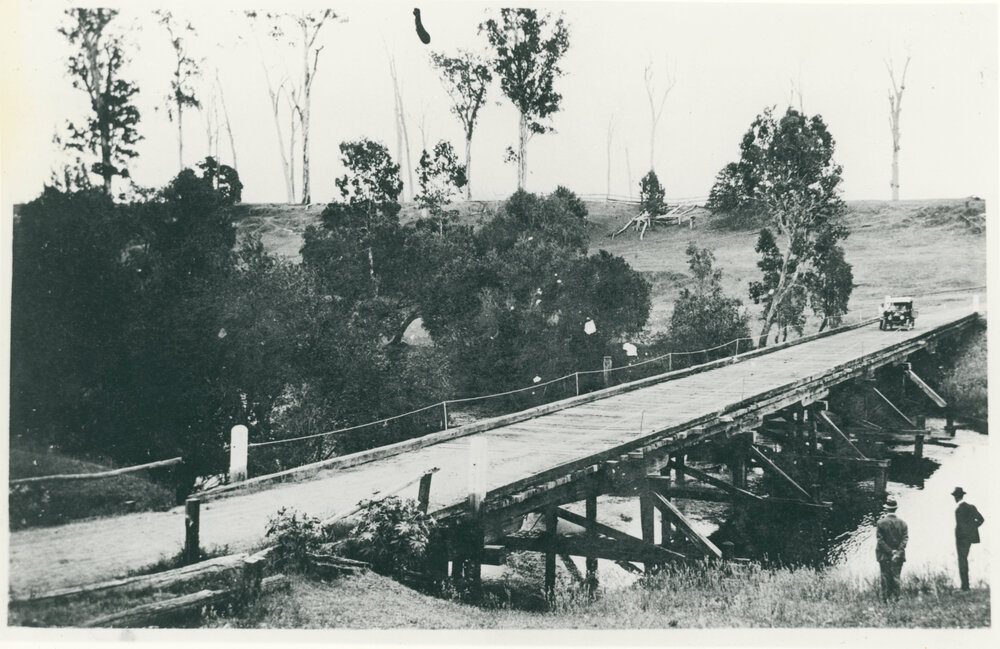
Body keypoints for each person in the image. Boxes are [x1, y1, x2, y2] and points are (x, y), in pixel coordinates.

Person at [952, 487, 985, 591]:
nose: (954, 499)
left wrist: (962, 535)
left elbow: (961, 525)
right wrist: (973, 528)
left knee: (962, 560)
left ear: (956, 497)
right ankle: (965, 586)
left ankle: (965, 587)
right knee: (964, 560)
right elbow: (981, 519)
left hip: (962, 540)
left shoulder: (958, 510)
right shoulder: (971, 507)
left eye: (954, 497)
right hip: (970, 539)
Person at [876, 498, 908, 601]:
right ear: (895, 509)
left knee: (885, 578)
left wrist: (890, 551)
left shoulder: (881, 523)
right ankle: (896, 599)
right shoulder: (903, 523)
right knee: (896, 577)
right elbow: (905, 540)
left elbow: (880, 541)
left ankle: (886, 601)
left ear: (886, 509)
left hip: (884, 556)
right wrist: (897, 553)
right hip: (899, 556)